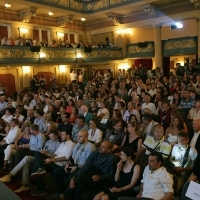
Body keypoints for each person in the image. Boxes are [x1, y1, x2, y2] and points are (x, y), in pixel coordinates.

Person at [0, 129, 60, 193]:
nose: (50, 138)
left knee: (27, 158)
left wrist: (47, 154)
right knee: (26, 160)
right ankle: (25, 185)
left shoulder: (58, 144)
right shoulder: (48, 142)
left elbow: (54, 156)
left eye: (52, 137)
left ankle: (10, 176)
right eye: (50, 136)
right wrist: (42, 151)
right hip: (39, 158)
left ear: (56, 136)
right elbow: (42, 149)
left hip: (46, 159)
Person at [53, 141, 118, 200]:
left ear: (109, 150)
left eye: (103, 147)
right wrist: (74, 177)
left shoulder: (112, 159)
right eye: (100, 145)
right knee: (80, 185)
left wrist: (100, 177)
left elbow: (112, 175)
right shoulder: (95, 153)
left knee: (81, 177)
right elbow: (85, 167)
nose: (100, 148)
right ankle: (66, 195)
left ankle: (64, 195)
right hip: (91, 175)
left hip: (102, 181)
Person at [30, 130, 75, 196]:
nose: (61, 136)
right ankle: (41, 168)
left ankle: (42, 189)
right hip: (54, 161)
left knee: (35, 167)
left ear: (68, 135)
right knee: (37, 154)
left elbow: (66, 158)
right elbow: (55, 153)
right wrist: (50, 159)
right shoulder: (62, 143)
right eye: (61, 135)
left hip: (59, 164)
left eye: (63, 135)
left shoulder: (71, 144)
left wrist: (52, 160)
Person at [51, 130, 95, 194]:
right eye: (78, 136)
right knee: (56, 171)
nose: (78, 138)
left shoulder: (90, 147)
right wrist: (68, 163)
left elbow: (88, 163)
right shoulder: (77, 144)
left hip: (82, 168)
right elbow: (72, 158)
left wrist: (76, 167)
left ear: (86, 137)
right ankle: (61, 192)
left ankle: (67, 194)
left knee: (70, 178)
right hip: (74, 165)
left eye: (80, 136)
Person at [167, 132, 197, 196]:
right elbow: (171, 158)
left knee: (178, 189)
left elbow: (195, 168)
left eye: (182, 140)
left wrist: (183, 169)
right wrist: (174, 162)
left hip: (185, 171)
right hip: (175, 169)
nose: (180, 142)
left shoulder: (192, 151)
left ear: (187, 140)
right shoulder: (175, 147)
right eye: (179, 140)